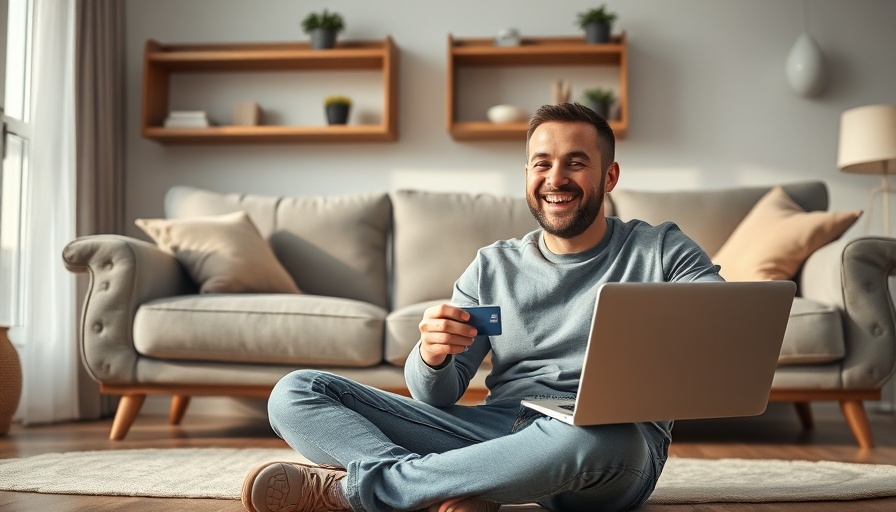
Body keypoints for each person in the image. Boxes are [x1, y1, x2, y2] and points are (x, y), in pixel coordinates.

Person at [241, 102, 723, 512]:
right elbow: (437, 396)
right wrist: (432, 357)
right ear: (528, 174)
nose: (556, 178)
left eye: (576, 163)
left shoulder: (661, 250)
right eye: (542, 163)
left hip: (609, 444)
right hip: (498, 431)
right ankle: (461, 483)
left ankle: (361, 491)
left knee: (599, 438)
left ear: (609, 175)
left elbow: (721, 319)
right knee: (296, 391)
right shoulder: (492, 266)